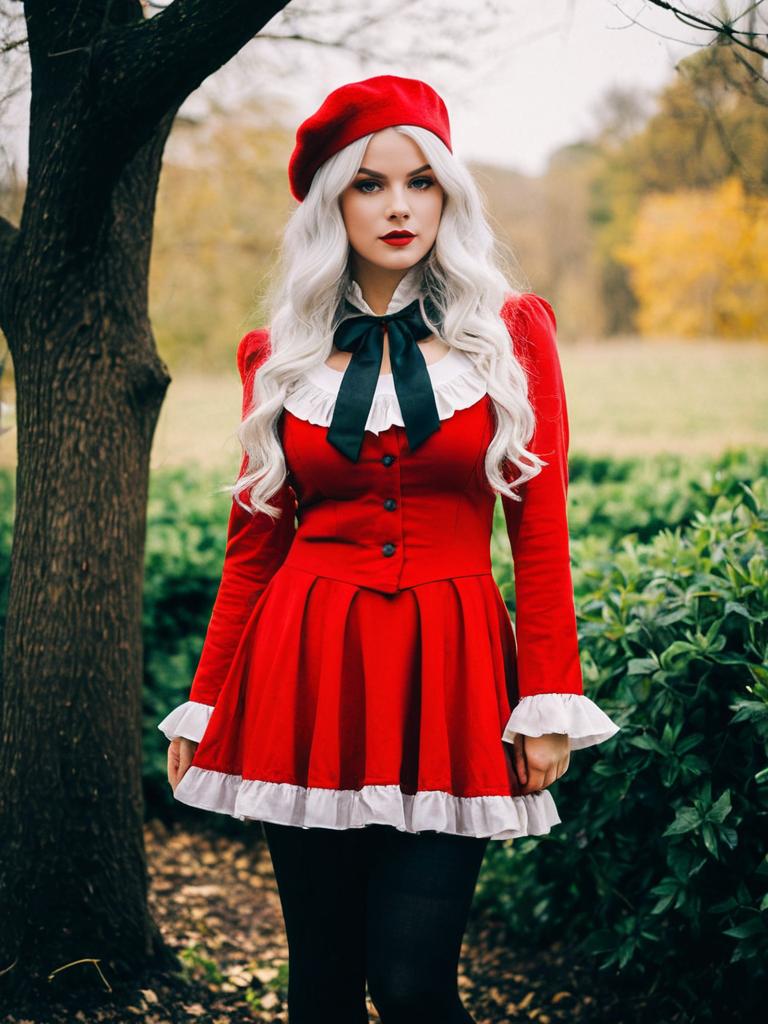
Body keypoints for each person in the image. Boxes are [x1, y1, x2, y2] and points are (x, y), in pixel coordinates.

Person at [158, 74, 621, 1024]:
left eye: (421, 182)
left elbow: (539, 531)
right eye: (369, 184)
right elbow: (254, 548)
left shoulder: (511, 336)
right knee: (322, 986)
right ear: (333, 200)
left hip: (452, 671)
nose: (399, 205)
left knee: (413, 988)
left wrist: (547, 697)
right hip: (306, 666)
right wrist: (205, 702)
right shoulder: (275, 352)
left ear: (450, 193)